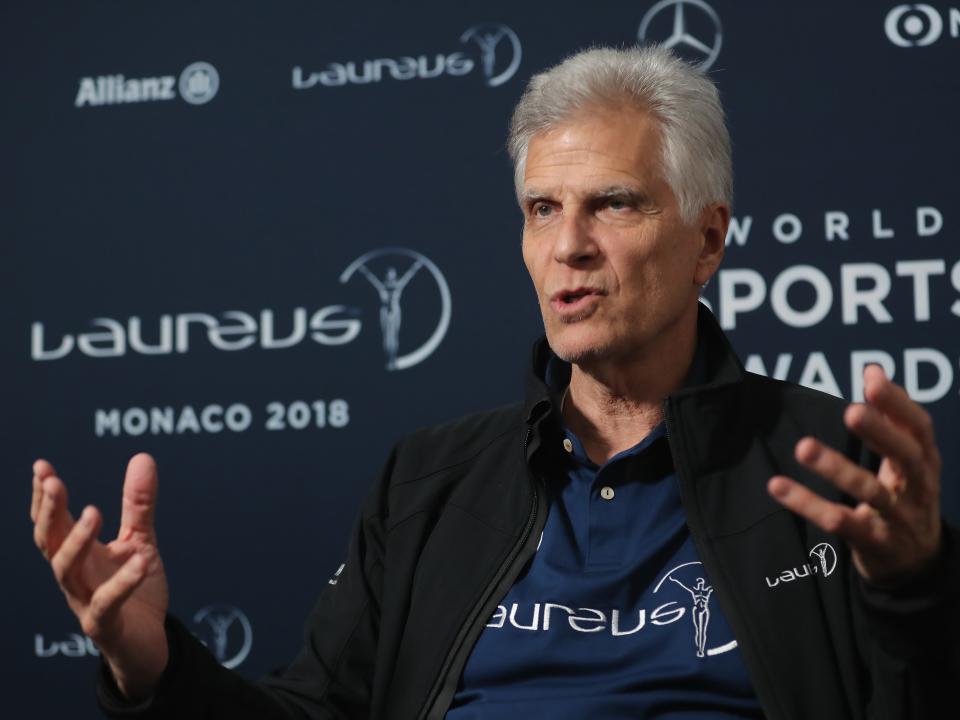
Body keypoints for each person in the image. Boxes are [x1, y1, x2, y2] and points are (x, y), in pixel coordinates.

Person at [30, 45, 958, 719]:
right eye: (542, 210)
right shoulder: (430, 481)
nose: (569, 247)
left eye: (614, 204)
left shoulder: (826, 466)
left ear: (707, 240)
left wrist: (913, 589)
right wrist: (154, 668)